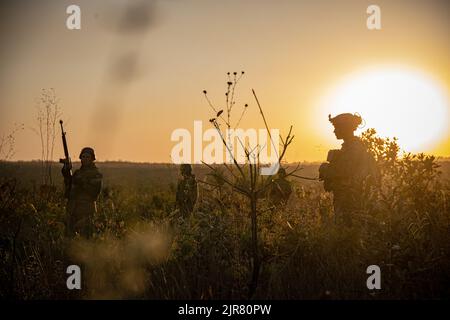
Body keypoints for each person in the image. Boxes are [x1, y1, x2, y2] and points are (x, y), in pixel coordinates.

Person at [319, 113, 377, 226]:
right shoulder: (350, 146)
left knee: (347, 230)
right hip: (346, 198)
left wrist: (325, 168)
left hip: (350, 200)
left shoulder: (354, 148)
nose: (334, 131)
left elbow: (345, 171)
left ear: (345, 128)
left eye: (336, 128)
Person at [62, 147, 102, 238]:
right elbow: (69, 187)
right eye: (83, 156)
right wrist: (66, 171)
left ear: (92, 159)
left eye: (87, 157)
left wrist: (83, 183)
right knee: (70, 238)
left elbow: (94, 193)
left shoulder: (96, 174)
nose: (85, 159)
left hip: (86, 211)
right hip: (73, 210)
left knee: (85, 240)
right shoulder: (77, 173)